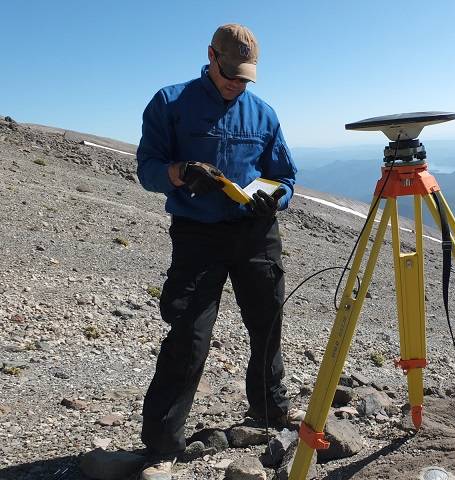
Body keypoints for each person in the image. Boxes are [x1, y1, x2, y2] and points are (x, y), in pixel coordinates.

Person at [135, 24, 297, 480]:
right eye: (230, 73)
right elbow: (147, 168)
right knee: (189, 333)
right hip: (197, 234)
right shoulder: (170, 102)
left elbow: (284, 177)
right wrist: (181, 172)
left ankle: (269, 414)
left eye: (245, 78)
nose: (236, 83)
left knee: (267, 322)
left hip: (255, 232)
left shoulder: (263, 114)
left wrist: (276, 197)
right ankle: (162, 446)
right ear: (211, 56)